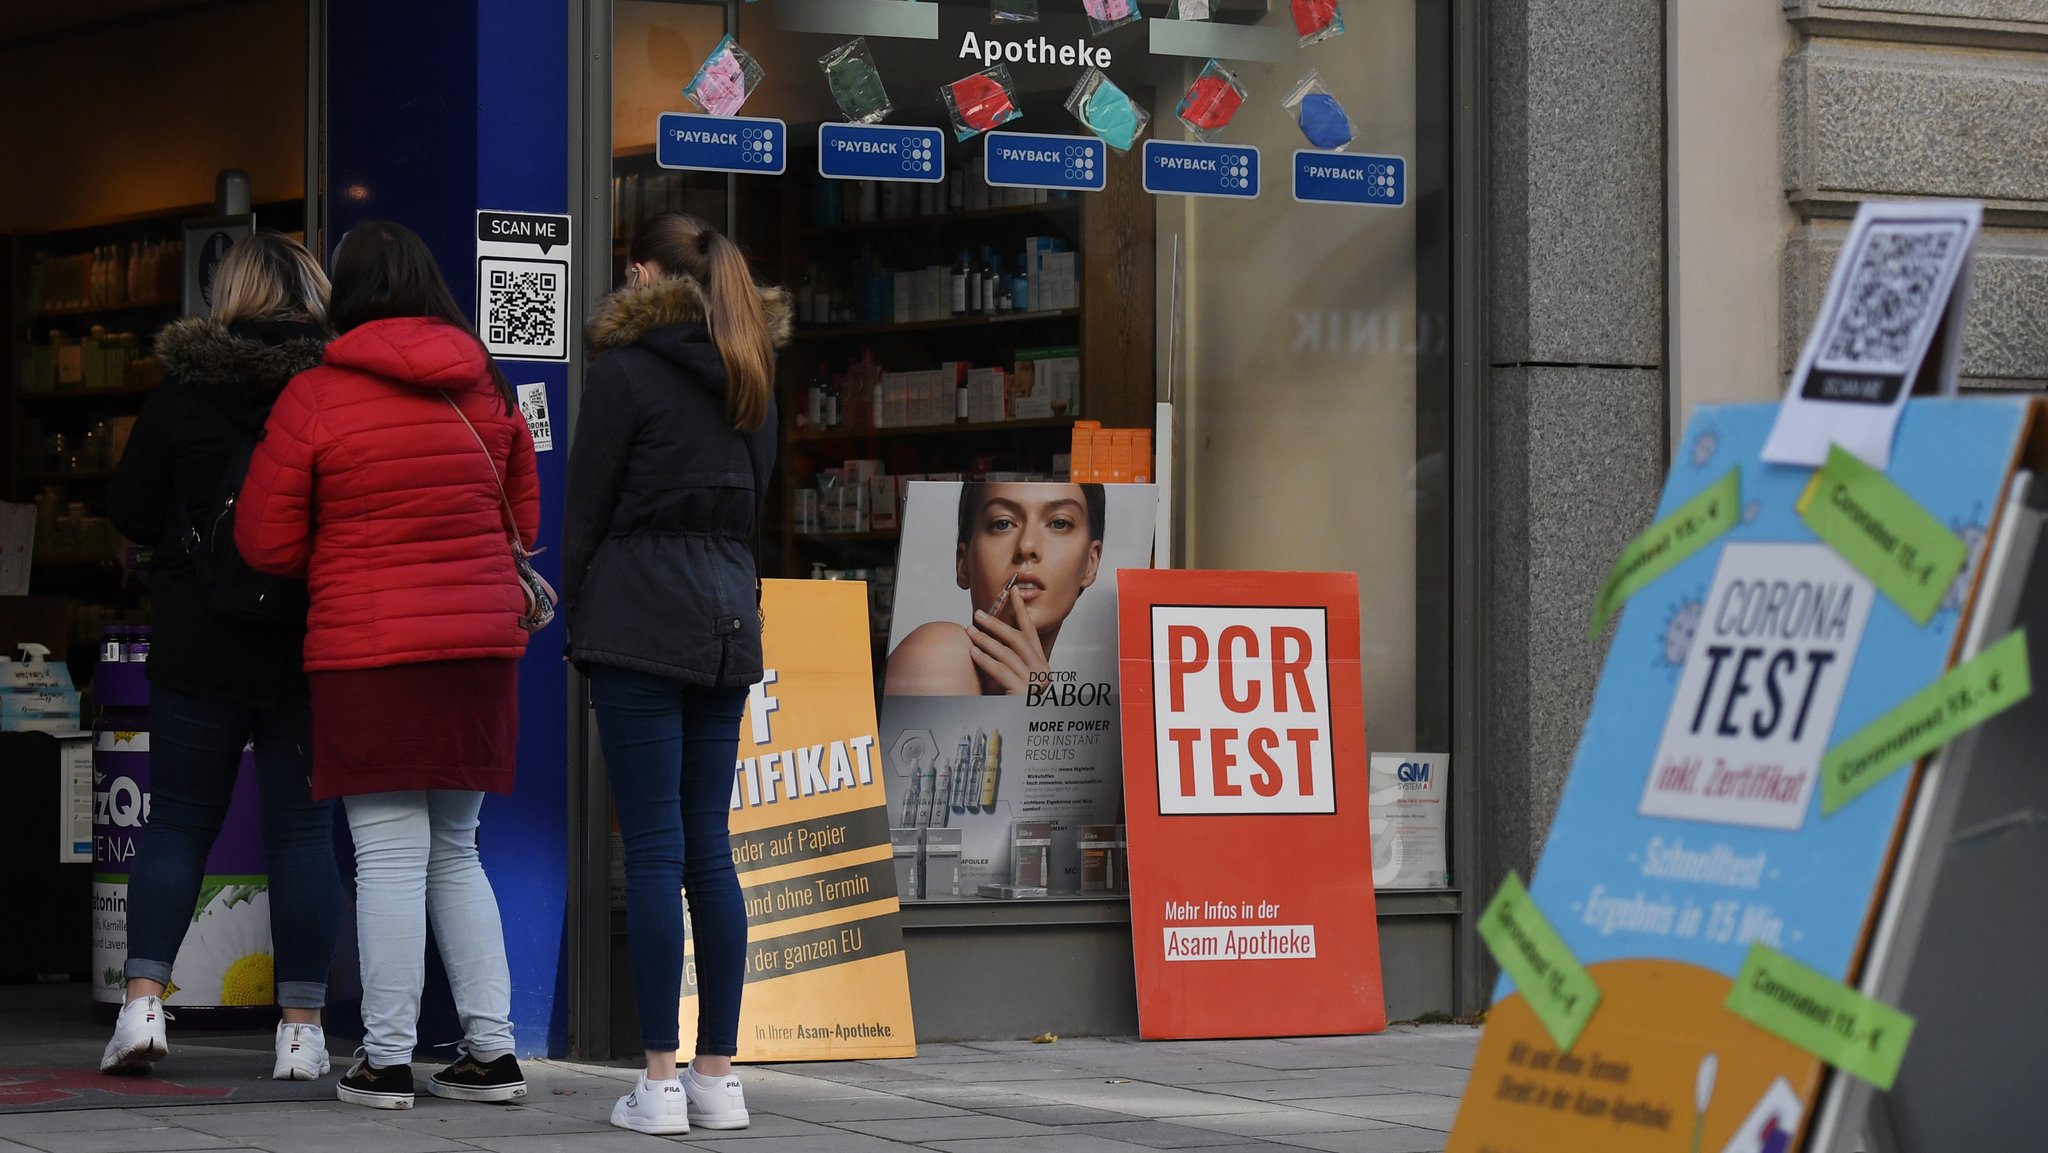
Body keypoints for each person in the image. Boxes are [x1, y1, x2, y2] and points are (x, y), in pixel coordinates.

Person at [234, 220, 539, 1111]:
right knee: (456, 848)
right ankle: (491, 1051)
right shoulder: (489, 385)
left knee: (387, 856)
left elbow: (264, 539)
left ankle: (388, 1056)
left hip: (372, 651)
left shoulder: (316, 395)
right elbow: (523, 518)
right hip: (481, 650)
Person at [563, 211, 787, 1136]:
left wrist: (577, 611)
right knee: (710, 847)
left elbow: (586, 508)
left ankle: (656, 1081)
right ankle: (716, 1078)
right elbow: (754, 505)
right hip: (728, 619)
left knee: (652, 847)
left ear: (644, 272)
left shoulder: (622, 373)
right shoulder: (751, 377)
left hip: (639, 618)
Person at [100, 231, 341, 1081]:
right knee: (305, 833)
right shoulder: (333, 388)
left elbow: (129, 508)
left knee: (176, 822)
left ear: (229, 293)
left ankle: (139, 1007)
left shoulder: (180, 394)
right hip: (307, 641)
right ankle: (303, 1030)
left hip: (200, 639)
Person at [885, 481, 1106, 696]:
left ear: (1091, 563)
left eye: (1059, 523)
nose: (1027, 546)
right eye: (1002, 523)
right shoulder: (939, 652)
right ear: (963, 563)